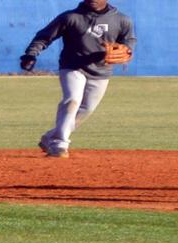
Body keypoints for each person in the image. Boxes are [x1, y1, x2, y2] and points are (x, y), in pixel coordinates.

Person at [20, 0, 137, 158]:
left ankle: (50, 137)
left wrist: (128, 50)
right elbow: (44, 36)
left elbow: (129, 40)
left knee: (86, 109)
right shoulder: (70, 17)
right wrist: (31, 54)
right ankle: (59, 144)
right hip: (72, 66)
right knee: (72, 100)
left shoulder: (122, 20)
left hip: (102, 71)